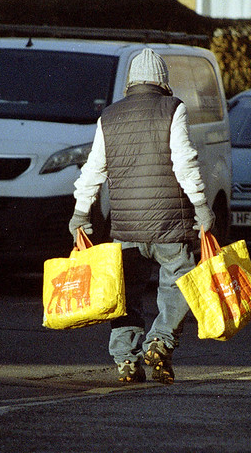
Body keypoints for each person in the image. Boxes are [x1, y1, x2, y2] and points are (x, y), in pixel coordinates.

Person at [68, 48, 215, 385]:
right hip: (169, 227)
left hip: (125, 228)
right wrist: (202, 207)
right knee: (178, 286)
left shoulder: (109, 116)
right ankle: (160, 342)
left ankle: (126, 361)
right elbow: (185, 162)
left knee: (126, 297)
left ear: (130, 82)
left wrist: (80, 212)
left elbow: (93, 169)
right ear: (163, 81)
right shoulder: (173, 109)